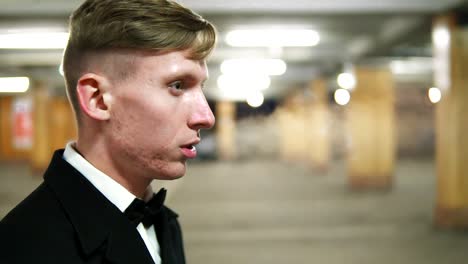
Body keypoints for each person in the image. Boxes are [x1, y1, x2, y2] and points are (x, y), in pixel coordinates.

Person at [0, 0, 216, 263]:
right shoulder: (24, 249)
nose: (206, 117)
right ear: (98, 99)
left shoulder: (163, 223)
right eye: (178, 85)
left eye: (201, 87)